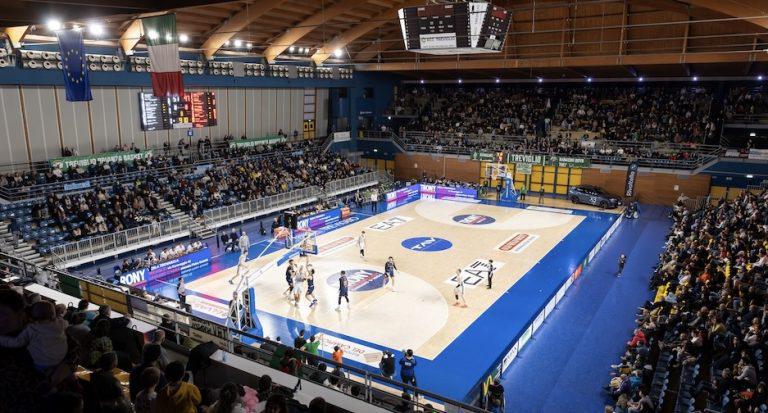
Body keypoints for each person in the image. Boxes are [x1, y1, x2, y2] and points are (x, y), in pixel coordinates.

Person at [0, 300, 68, 371]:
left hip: (42, 363)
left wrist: (1, 339)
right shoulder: (60, 323)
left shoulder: (32, 329)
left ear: (32, 316)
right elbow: (66, 323)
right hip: (60, 356)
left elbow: (16, 342)